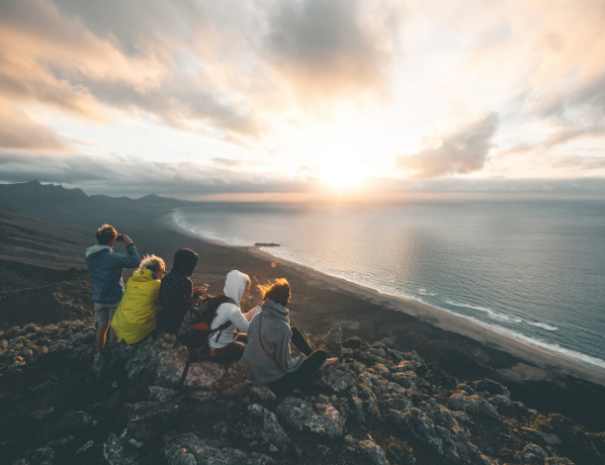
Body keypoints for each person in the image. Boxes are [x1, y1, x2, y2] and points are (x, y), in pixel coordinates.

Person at [241, 278, 337, 397]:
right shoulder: (282, 327)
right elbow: (285, 365)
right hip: (277, 384)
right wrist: (301, 361)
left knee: (295, 331)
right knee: (321, 354)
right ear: (285, 300)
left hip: (255, 373)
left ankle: (320, 363)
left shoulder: (257, 317)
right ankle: (321, 363)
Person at [85, 224, 140, 353]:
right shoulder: (114, 258)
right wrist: (129, 244)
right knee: (114, 326)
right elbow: (135, 261)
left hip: (98, 298)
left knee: (102, 327)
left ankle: (100, 354)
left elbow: (97, 249)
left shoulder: (89, 256)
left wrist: (109, 241)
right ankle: (110, 352)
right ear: (112, 240)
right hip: (115, 298)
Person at [111, 255, 166, 345]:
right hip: (137, 331)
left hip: (119, 327)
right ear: (158, 271)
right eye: (164, 272)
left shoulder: (132, 280)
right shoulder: (157, 285)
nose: (164, 275)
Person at [208, 270, 257, 364]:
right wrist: (259, 312)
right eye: (246, 290)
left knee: (250, 338)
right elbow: (248, 328)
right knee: (252, 350)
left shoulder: (224, 300)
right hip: (219, 350)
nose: (247, 293)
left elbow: (239, 318)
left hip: (216, 343)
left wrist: (257, 307)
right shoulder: (231, 307)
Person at [158, 248, 206, 334]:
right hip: (176, 326)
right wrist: (198, 294)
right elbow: (188, 309)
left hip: (163, 321)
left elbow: (165, 299)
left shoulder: (166, 277)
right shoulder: (185, 282)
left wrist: (190, 292)